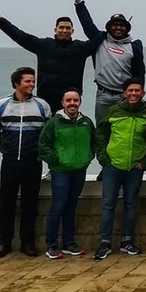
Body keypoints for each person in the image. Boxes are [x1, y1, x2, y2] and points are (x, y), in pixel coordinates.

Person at [0, 67, 51, 259]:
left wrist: (41, 151)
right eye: (27, 81)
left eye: (33, 81)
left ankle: (27, 243)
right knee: (6, 204)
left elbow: (48, 133)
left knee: (30, 204)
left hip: (33, 162)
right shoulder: (1, 105)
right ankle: (3, 242)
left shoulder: (42, 106)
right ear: (16, 83)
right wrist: (3, 146)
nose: (31, 84)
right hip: (10, 161)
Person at [0, 8, 98, 113]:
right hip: (46, 99)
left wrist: (79, 4)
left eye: (68, 28)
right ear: (55, 30)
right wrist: (1, 22)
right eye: (61, 28)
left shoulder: (81, 48)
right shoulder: (44, 45)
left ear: (72, 31)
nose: (64, 31)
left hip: (70, 99)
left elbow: (97, 37)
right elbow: (20, 36)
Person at [94, 78, 146, 260]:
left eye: (137, 91)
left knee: (130, 204)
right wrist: (104, 159)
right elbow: (100, 135)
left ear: (143, 94)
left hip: (135, 167)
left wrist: (145, 163)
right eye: (130, 91)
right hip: (113, 166)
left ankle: (127, 241)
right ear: (124, 93)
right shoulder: (113, 111)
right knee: (108, 205)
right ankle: (104, 242)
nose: (134, 93)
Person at [71, 0, 145, 124]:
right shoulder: (100, 40)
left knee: (123, 129)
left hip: (125, 96)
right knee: (102, 131)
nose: (118, 28)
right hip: (103, 95)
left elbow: (139, 73)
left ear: (126, 28)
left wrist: (138, 92)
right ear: (110, 27)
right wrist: (78, 1)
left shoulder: (133, 47)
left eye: (121, 25)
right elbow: (87, 24)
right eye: (115, 25)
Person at [37, 88, 96, 259]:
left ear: (80, 102)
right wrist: (55, 160)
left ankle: (69, 243)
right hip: (60, 172)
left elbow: (94, 141)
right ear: (62, 103)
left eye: (75, 100)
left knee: (71, 207)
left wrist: (88, 157)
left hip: (79, 171)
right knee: (58, 206)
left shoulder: (86, 122)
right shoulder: (54, 123)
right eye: (68, 100)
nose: (72, 103)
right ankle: (52, 245)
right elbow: (43, 145)